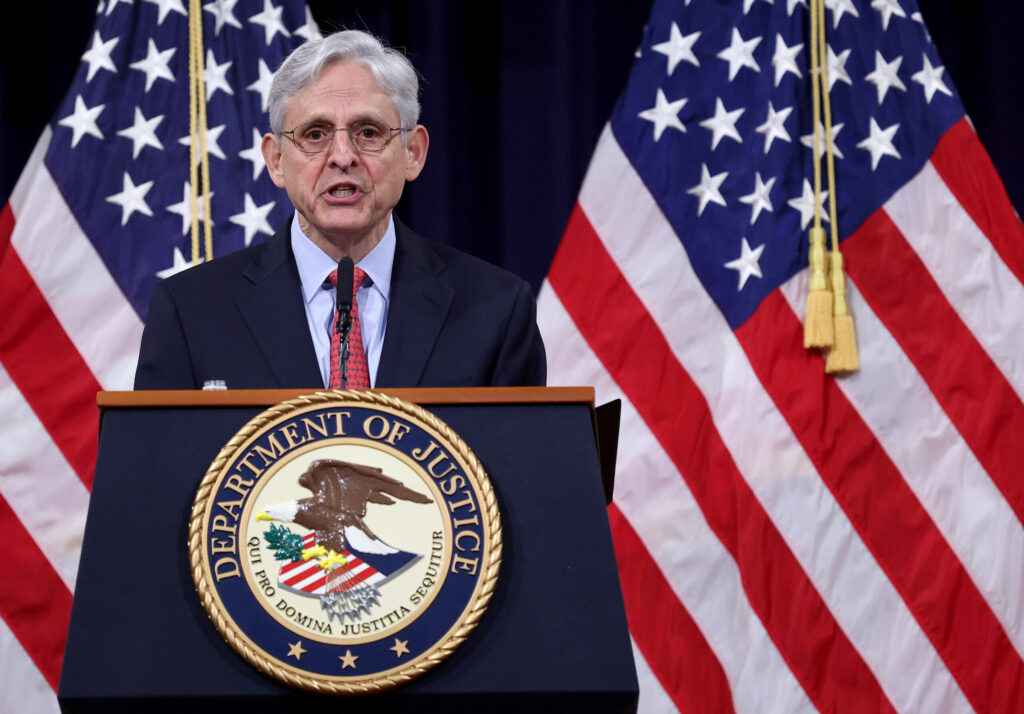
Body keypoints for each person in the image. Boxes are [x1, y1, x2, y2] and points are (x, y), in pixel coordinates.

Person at [134, 30, 546, 390]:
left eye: (369, 132)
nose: (343, 156)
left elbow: (523, 474)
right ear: (276, 159)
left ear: (413, 153)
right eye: (315, 134)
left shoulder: (496, 311)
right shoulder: (192, 314)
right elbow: (153, 476)